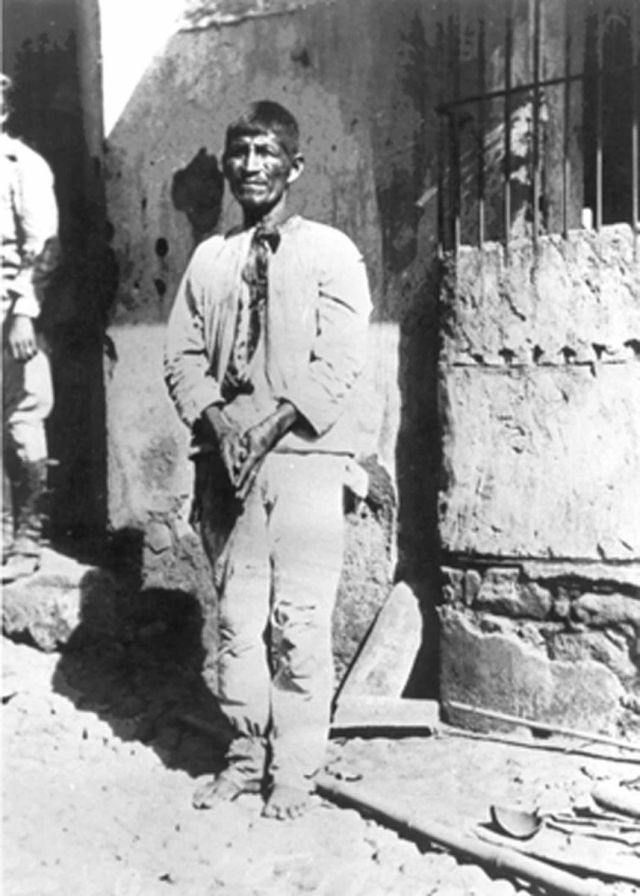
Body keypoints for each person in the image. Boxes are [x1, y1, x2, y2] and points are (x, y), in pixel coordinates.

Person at [165, 100, 371, 819]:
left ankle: (295, 770)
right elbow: (182, 356)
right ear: (227, 164)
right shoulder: (210, 259)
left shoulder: (331, 252)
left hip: (306, 460)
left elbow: (340, 361)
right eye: (241, 152)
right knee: (236, 621)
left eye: (267, 152)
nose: (252, 165)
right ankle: (246, 752)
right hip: (228, 466)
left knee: (299, 622)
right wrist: (222, 425)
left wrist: (272, 426)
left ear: (295, 166)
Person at [1, 73, 59, 582]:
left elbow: (44, 246)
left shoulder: (23, 166)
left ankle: (27, 540)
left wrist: (24, 310)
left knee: (23, 424)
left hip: (13, 318)